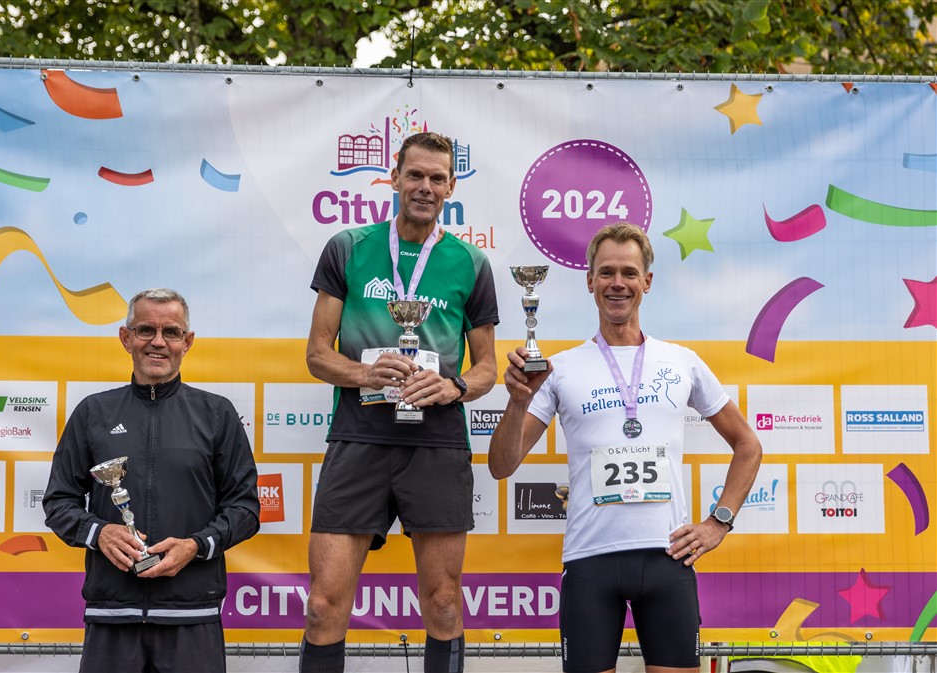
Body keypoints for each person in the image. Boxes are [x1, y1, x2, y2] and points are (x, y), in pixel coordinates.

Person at [488, 223, 762, 673]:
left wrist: (719, 522)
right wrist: (518, 401)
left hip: (668, 559)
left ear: (647, 281)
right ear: (590, 281)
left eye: (629, 273)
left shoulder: (682, 361)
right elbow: (502, 465)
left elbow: (748, 444)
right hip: (590, 562)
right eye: (607, 272)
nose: (618, 283)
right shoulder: (559, 369)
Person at [300, 131, 499, 673]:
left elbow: (486, 368)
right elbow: (318, 354)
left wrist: (455, 387)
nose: (425, 187)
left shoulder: (471, 263)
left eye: (437, 178)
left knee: (444, 602)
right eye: (415, 175)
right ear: (394, 178)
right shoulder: (348, 246)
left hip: (436, 443)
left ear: (451, 187)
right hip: (359, 436)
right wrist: (364, 373)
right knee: (322, 606)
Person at [43, 288, 260, 673]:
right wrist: (99, 533)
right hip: (112, 615)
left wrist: (196, 546)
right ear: (126, 338)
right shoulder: (93, 412)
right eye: (145, 330)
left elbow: (245, 509)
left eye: (171, 332)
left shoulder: (217, 414)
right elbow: (58, 502)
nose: (158, 342)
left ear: (187, 342)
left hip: (192, 616)